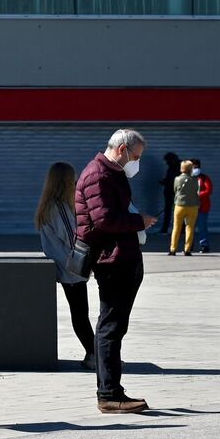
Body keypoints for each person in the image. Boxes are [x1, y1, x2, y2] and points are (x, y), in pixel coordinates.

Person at [75, 129, 155, 414]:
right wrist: (139, 221)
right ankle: (108, 394)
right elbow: (104, 220)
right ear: (122, 149)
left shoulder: (111, 173)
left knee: (114, 326)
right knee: (110, 327)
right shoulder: (99, 175)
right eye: (136, 157)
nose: (137, 163)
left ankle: (113, 391)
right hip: (112, 261)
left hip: (120, 258)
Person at [36, 161, 95, 370]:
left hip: (65, 266)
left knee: (79, 313)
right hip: (71, 267)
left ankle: (94, 353)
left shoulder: (49, 206)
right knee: (80, 313)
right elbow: (74, 238)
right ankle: (94, 355)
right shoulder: (59, 208)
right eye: (74, 177)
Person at [169, 160, 200, 256]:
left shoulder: (177, 179)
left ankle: (173, 249)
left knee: (176, 227)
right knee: (190, 227)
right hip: (193, 205)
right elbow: (196, 190)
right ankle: (187, 250)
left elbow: (175, 190)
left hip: (180, 205)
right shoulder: (195, 180)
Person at [155, 152, 180, 234]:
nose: (167, 163)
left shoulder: (180, 168)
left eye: (168, 161)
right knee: (168, 211)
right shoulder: (171, 168)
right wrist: (164, 182)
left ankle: (181, 230)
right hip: (169, 193)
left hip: (176, 194)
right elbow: (170, 180)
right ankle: (165, 229)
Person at [194, 159, 213, 254]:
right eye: (193, 167)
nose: (195, 169)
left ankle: (204, 245)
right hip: (190, 207)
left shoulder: (204, 178)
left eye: (196, 167)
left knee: (202, 226)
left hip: (202, 207)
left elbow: (209, 190)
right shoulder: (186, 178)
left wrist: (198, 194)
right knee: (189, 227)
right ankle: (189, 245)